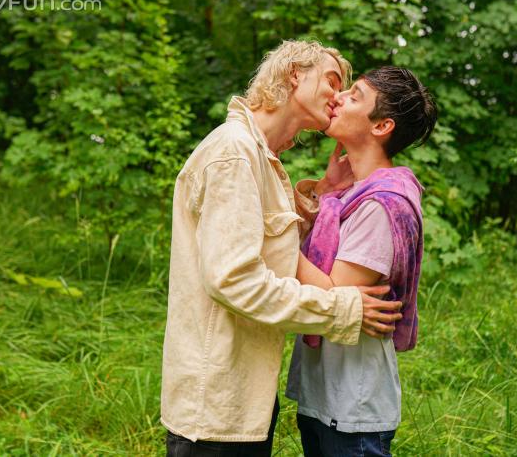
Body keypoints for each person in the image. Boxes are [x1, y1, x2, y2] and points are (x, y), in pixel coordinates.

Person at [161, 41, 404, 457]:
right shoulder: (235, 153)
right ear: (295, 75)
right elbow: (236, 281)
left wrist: (324, 190)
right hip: (214, 409)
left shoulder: (262, 157)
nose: (338, 97)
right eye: (332, 81)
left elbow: (272, 243)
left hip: (243, 397)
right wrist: (342, 310)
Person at [286, 66, 438, 457]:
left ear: (381, 126)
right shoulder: (351, 194)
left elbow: (334, 295)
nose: (337, 98)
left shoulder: (380, 205)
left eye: (354, 96)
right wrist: (325, 190)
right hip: (325, 396)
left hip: (353, 406)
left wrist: (272, 235)